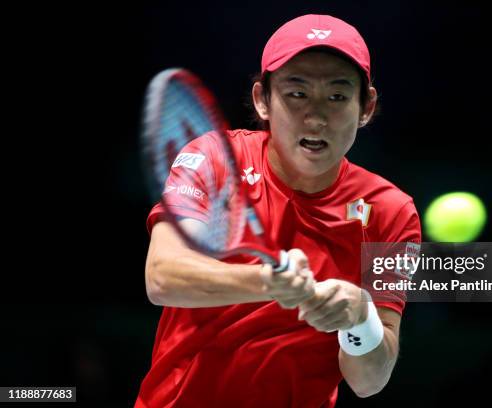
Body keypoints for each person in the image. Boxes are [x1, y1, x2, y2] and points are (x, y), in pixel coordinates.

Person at [135, 14, 421, 408]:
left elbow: (369, 381)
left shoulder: (391, 212)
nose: (316, 117)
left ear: (366, 106)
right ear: (262, 100)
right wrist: (271, 283)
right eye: (296, 93)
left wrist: (360, 317)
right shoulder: (216, 158)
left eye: (337, 97)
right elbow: (162, 278)